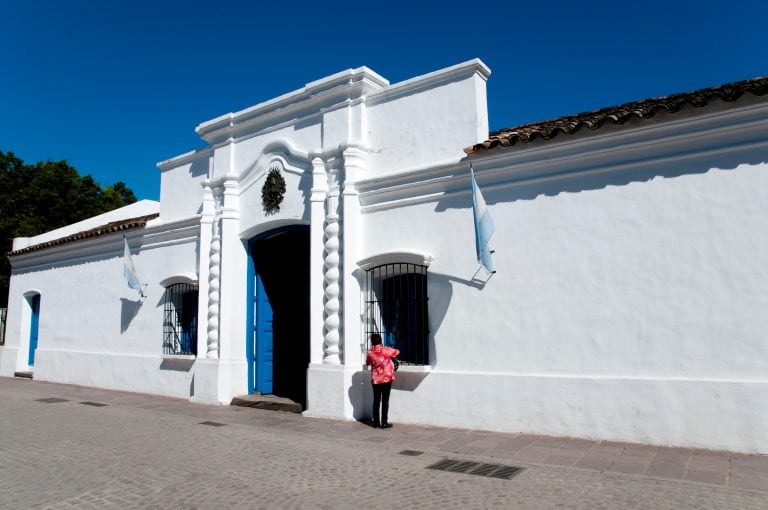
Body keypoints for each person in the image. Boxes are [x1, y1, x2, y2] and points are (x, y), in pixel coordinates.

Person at [365, 333, 399, 429]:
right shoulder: (386, 350)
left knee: (376, 400)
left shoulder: (370, 352)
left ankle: (376, 422)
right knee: (385, 400)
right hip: (386, 379)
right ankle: (384, 422)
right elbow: (397, 352)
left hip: (375, 380)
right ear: (381, 341)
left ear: (372, 342)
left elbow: (367, 362)